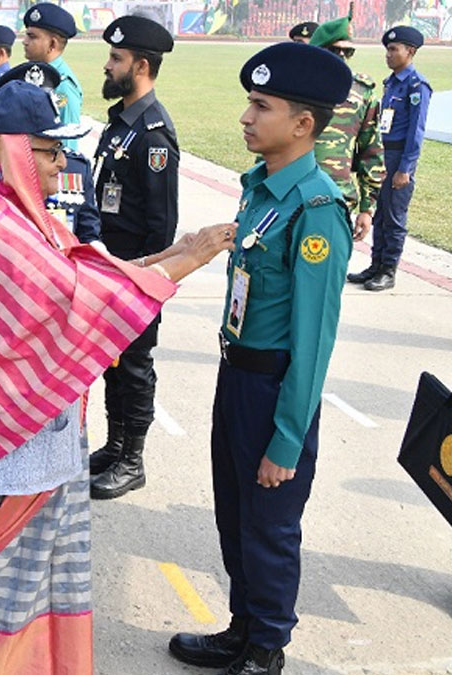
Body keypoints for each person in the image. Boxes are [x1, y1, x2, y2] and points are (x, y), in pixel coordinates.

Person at [0, 79, 236, 675]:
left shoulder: (17, 216)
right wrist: (190, 259)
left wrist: (168, 254)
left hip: (28, 437)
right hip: (3, 446)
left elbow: (83, 269)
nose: (64, 163)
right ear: (10, 153)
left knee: (32, 573)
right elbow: (80, 298)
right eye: (49, 150)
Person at [168, 42, 353, 675]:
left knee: (271, 525)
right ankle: (241, 627)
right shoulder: (261, 189)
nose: (246, 117)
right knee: (235, 514)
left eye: (261, 105)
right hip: (238, 375)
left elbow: (314, 339)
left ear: (303, 124)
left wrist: (289, 439)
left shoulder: (316, 210)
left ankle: (267, 647)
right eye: (249, 102)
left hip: (275, 388)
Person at [88, 16, 179, 501]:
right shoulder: (121, 123)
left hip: (137, 277)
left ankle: (133, 459)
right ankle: (115, 443)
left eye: (117, 59)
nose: (108, 65)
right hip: (113, 271)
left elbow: (161, 227)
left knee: (135, 364)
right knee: (113, 363)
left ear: (141, 66)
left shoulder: (153, 136)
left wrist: (145, 282)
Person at [0, 62, 102, 245]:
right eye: (52, 151)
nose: (62, 162)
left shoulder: (77, 168)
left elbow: (89, 237)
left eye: (59, 147)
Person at [353, 26, 430, 292]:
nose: (388, 54)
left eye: (394, 49)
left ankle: (388, 270)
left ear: (410, 51)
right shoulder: (391, 83)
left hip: (399, 157)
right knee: (380, 214)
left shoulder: (416, 86)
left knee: (395, 216)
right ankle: (375, 265)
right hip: (383, 154)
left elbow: (416, 131)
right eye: (387, 49)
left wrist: (405, 168)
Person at [307, 12, 383, 256]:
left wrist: (366, 209)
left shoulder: (362, 93)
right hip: (291, 195)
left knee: (329, 276)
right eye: (334, 51)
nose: (341, 57)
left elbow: (372, 151)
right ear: (317, 51)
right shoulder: (294, 88)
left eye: (347, 52)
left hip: (336, 200)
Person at [22, 3, 82, 149]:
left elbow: (67, 144)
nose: (24, 41)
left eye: (32, 37)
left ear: (52, 44)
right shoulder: (32, 75)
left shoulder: (63, 86)